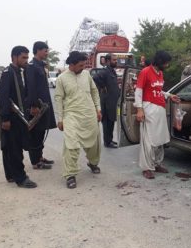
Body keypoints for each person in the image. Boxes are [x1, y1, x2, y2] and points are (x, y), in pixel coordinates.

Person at [55, 51, 102, 189]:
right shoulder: (61, 78)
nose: (83, 67)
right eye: (81, 65)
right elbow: (58, 99)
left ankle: (93, 162)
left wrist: (98, 109)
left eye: (84, 65)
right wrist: (60, 119)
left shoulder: (86, 75)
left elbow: (94, 92)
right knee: (71, 146)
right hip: (71, 115)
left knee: (94, 143)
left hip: (89, 114)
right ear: (72, 64)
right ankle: (70, 175)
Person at [135, 51, 180, 179]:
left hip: (160, 109)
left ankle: (157, 163)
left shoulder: (160, 73)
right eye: (166, 63)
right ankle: (147, 168)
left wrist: (170, 96)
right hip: (148, 108)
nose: (167, 65)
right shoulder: (145, 72)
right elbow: (139, 91)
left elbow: (158, 90)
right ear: (160, 61)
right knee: (148, 140)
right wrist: (139, 109)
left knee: (159, 139)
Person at [0, 46, 38, 189]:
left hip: (19, 117)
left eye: (27, 57)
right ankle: (20, 178)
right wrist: (5, 118)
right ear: (14, 57)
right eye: (23, 58)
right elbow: (3, 98)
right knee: (13, 148)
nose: (26, 60)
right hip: (12, 118)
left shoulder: (19, 72)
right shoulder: (8, 73)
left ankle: (11, 174)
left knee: (12, 146)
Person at [25, 41, 57, 170]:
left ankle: (40, 157)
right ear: (38, 50)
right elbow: (31, 88)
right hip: (37, 107)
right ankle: (35, 162)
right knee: (35, 134)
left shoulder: (41, 65)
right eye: (45, 50)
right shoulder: (32, 66)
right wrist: (33, 106)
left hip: (44, 106)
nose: (47, 53)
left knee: (41, 132)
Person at [93, 54, 120, 148]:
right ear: (108, 61)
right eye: (114, 60)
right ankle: (107, 142)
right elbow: (95, 78)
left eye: (116, 60)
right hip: (107, 102)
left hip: (113, 102)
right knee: (107, 123)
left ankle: (110, 140)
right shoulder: (105, 71)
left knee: (111, 122)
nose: (116, 61)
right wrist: (102, 86)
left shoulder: (112, 71)